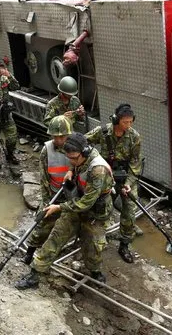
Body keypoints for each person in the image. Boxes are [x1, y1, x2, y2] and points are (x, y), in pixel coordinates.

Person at [15, 133, 114, 289]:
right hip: (76, 204)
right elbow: (75, 164)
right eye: (69, 158)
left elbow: (87, 203)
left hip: (94, 211)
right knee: (55, 237)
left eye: (74, 158)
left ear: (85, 152)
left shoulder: (98, 170)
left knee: (93, 245)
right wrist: (70, 170)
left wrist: (59, 207)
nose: (71, 161)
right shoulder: (78, 159)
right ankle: (35, 274)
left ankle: (95, 271)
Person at [85, 103, 141, 263]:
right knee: (99, 207)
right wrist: (93, 162)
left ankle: (124, 245)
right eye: (125, 122)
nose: (128, 125)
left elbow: (135, 163)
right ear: (116, 120)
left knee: (130, 210)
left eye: (131, 122)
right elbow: (83, 143)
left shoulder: (134, 137)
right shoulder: (102, 132)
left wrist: (129, 183)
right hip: (104, 177)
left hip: (125, 177)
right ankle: (94, 240)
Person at [22, 115, 74, 265]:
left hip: (71, 194)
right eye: (55, 137)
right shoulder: (47, 150)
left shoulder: (76, 148)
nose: (58, 140)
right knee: (43, 224)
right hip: (53, 193)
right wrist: (47, 201)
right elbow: (44, 178)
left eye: (62, 137)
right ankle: (30, 251)